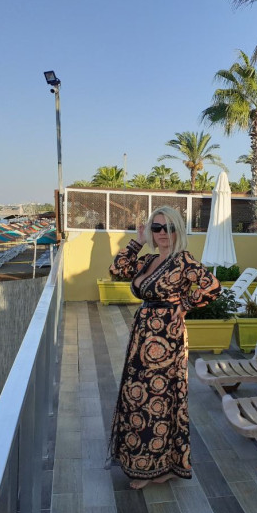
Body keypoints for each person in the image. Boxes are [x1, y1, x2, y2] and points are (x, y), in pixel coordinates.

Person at [107, 206, 221, 489]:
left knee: (158, 400)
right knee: (137, 397)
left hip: (166, 339)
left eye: (168, 228)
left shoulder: (183, 260)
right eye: (156, 228)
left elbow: (213, 286)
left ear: (178, 231)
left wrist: (186, 304)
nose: (162, 233)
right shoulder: (149, 260)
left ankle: (158, 467)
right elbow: (117, 270)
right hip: (142, 335)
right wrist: (137, 241)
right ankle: (149, 463)